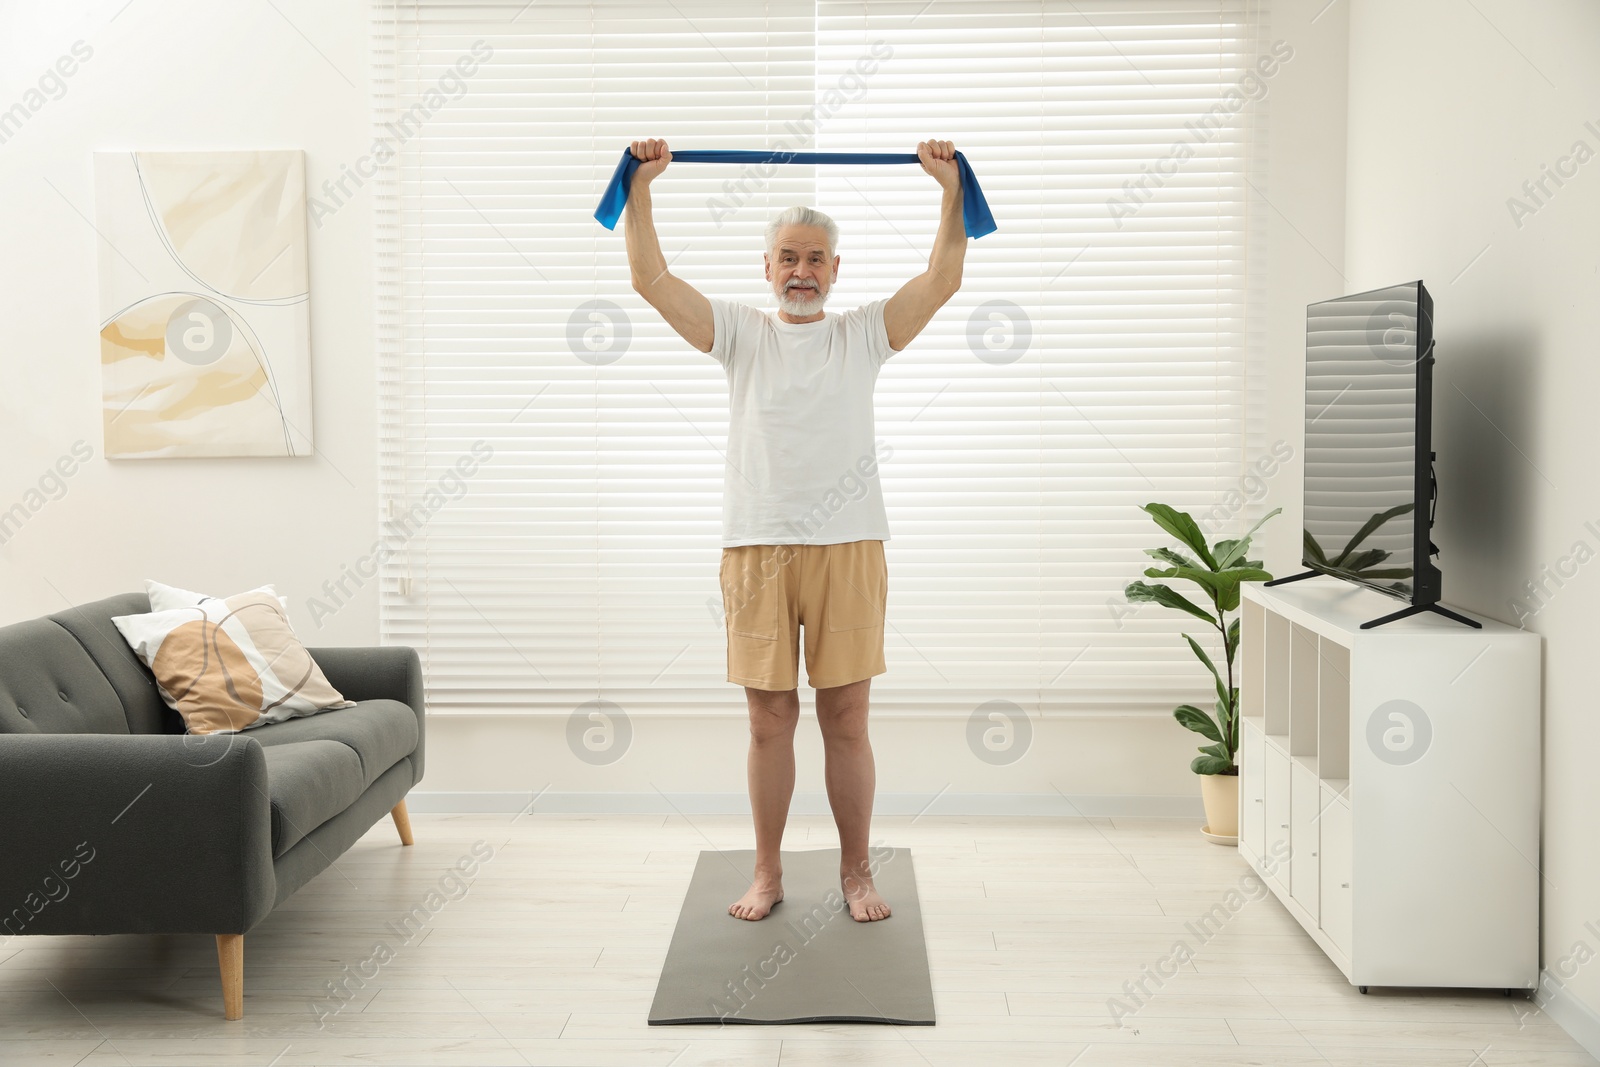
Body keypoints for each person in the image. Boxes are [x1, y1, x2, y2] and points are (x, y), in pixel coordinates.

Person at [621, 138, 968, 922]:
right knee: (767, 720)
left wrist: (949, 191)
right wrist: (642, 188)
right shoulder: (742, 334)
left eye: (816, 257)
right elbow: (650, 279)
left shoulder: (862, 334)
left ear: (836, 270)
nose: (802, 269)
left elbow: (943, 278)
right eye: (788, 257)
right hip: (757, 549)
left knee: (847, 718)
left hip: (850, 546)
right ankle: (768, 873)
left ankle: (855, 873)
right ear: (768, 267)